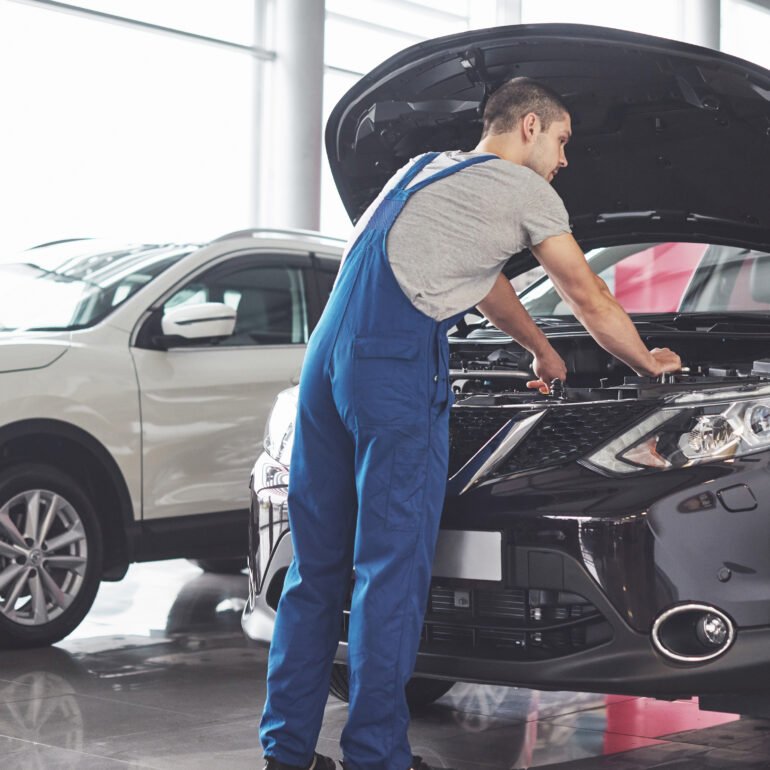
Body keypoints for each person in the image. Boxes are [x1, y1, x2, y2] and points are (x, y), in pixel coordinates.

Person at [260, 77, 681, 770]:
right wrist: (648, 361)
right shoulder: (525, 190)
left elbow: (483, 281)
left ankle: (286, 753)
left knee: (317, 569)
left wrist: (539, 349)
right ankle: (376, 757)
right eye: (562, 140)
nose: (564, 160)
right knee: (389, 572)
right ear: (530, 126)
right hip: (392, 366)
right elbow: (587, 292)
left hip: (325, 364)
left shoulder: (421, 170)